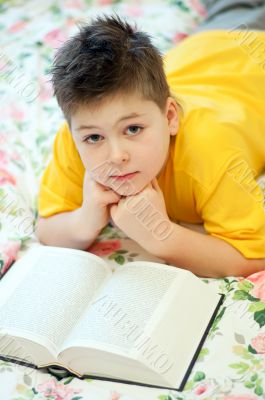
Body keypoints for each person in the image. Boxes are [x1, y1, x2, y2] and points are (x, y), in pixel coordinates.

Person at [35, 2, 265, 278]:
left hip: (246, 48)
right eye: (95, 137)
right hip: (201, 53)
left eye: (132, 129)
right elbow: (47, 228)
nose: (116, 156)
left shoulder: (208, 150)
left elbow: (254, 256)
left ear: (170, 117)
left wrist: (163, 236)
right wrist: (86, 219)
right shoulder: (76, 138)